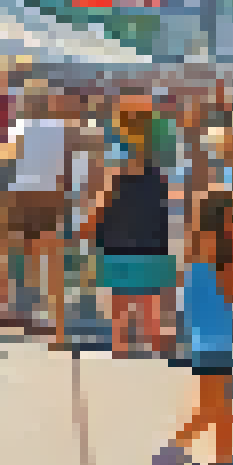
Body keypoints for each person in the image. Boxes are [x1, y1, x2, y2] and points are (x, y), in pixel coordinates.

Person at [153, 189, 233, 465]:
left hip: (203, 337)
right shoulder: (224, 256)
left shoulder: (195, 250)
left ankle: (222, 462)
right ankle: (172, 450)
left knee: (221, 405)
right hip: (215, 339)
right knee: (213, 406)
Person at [0, 81, 76, 347]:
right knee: (53, 266)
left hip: (21, 196)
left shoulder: (22, 127)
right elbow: (69, 170)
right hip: (51, 197)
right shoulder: (63, 130)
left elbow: (2, 162)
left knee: (0, 255)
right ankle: (59, 330)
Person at [85, 116, 174, 357]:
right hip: (149, 246)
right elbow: (164, 213)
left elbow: (100, 210)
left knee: (121, 303)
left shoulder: (114, 175)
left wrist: (93, 237)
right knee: (148, 303)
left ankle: (122, 346)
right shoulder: (157, 175)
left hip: (120, 246)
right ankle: (152, 346)